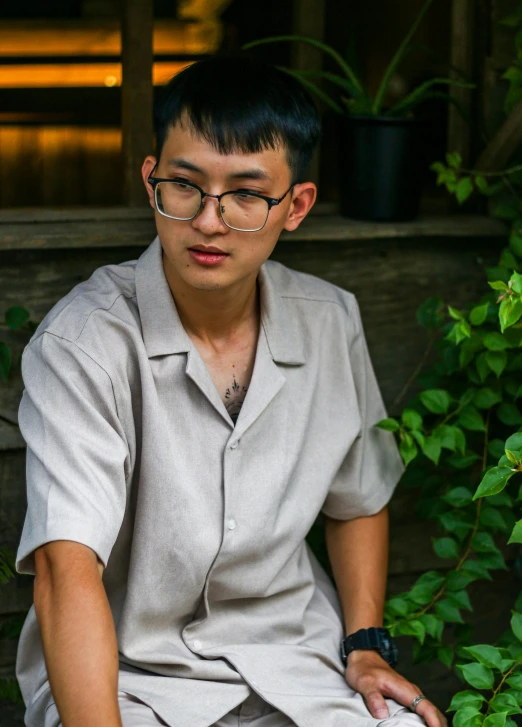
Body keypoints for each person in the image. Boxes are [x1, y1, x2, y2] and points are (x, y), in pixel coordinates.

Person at [14, 55, 447, 727]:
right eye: (184, 185)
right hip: (132, 682)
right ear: (151, 180)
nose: (210, 221)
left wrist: (364, 643)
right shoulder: (83, 343)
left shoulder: (329, 321)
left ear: (296, 205)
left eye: (246, 193)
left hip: (297, 668)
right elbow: (63, 567)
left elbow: (358, 496)